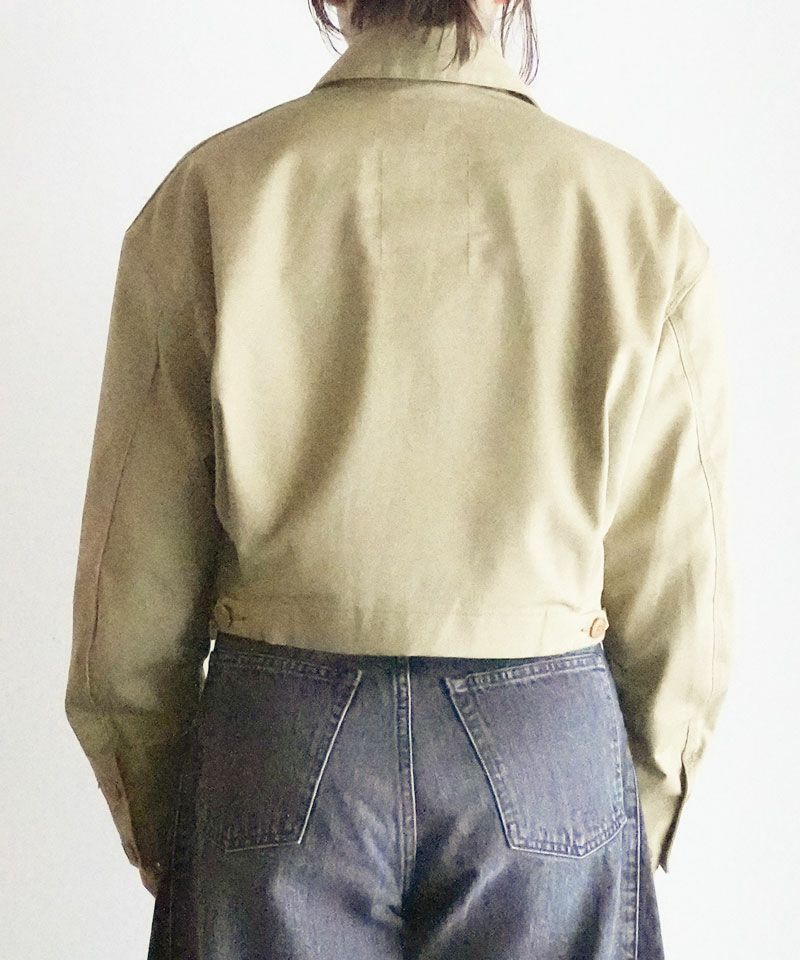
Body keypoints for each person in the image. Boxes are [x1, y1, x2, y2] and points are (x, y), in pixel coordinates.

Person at [64, 0, 735, 956]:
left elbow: (125, 600)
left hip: (279, 740)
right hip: (543, 736)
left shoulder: (213, 193)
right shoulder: (631, 212)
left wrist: (179, 821)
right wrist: (640, 795)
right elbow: (681, 585)